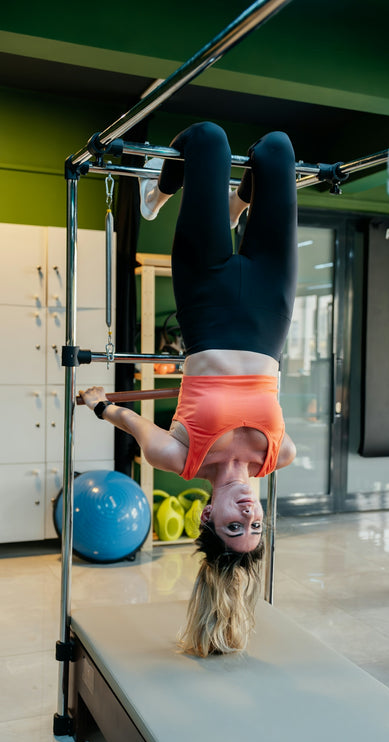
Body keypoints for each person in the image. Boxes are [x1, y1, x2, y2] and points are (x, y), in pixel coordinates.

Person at [80, 121, 298, 656]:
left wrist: (96, 402)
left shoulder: (181, 456)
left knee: (208, 141)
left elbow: (125, 418)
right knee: (275, 149)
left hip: (206, 306)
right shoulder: (280, 454)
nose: (248, 511)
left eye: (233, 524)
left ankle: (159, 191)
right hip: (271, 316)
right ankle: (231, 208)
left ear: (207, 516)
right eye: (256, 523)